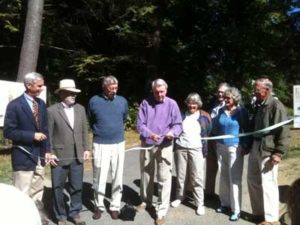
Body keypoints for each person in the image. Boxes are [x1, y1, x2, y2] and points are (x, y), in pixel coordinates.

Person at [3, 72, 51, 225]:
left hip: (39, 156)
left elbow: (45, 130)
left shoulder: (41, 104)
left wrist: (47, 151)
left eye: (42, 85)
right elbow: (8, 132)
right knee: (22, 194)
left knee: (38, 191)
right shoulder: (15, 105)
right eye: (39, 85)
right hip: (23, 157)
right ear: (28, 85)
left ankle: (38, 219)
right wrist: (32, 136)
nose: (42, 88)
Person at [136, 78, 182, 225]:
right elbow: (140, 124)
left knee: (164, 177)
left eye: (162, 92)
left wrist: (172, 132)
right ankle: (145, 201)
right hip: (148, 144)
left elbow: (178, 125)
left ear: (166, 91)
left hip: (165, 145)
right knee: (146, 174)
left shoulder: (172, 104)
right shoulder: (145, 103)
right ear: (153, 91)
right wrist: (150, 134)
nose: (160, 95)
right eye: (157, 92)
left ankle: (161, 211)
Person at [47, 79, 90, 225]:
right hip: (58, 156)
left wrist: (87, 149)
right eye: (71, 93)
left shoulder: (81, 109)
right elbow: (48, 135)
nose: (74, 95)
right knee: (58, 187)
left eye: (75, 93)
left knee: (77, 186)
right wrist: (50, 152)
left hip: (77, 155)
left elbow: (85, 131)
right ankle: (60, 216)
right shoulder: (52, 111)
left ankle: (75, 213)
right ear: (62, 94)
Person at [247, 78, 290, 225]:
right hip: (255, 147)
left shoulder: (276, 106)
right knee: (253, 180)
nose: (255, 92)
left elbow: (284, 131)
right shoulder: (259, 105)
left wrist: (278, 153)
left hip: (268, 150)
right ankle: (259, 213)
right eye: (255, 90)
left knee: (268, 184)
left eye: (257, 90)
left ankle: (271, 219)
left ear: (268, 90)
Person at [88, 75, 128, 220]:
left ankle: (115, 206)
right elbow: (91, 120)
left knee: (117, 175)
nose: (114, 91)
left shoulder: (122, 101)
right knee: (99, 176)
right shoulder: (94, 101)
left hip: (118, 142)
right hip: (100, 143)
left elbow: (124, 118)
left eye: (116, 88)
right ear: (104, 87)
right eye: (111, 89)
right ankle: (99, 206)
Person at [212, 87, 250, 221]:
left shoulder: (241, 111)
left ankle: (236, 209)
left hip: (235, 147)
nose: (226, 100)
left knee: (234, 178)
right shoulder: (221, 111)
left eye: (229, 98)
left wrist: (246, 145)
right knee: (223, 176)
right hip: (221, 146)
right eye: (225, 97)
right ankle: (225, 204)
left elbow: (247, 128)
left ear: (235, 99)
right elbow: (215, 127)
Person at [171, 93, 212, 216]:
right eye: (190, 103)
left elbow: (208, 130)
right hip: (181, 147)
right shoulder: (182, 115)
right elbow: (175, 128)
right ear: (187, 103)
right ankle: (179, 197)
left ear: (198, 104)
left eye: (194, 103)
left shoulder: (204, 116)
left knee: (197, 177)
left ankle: (199, 203)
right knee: (181, 175)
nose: (192, 105)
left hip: (197, 149)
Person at [205, 82, 230, 197]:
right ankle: (209, 192)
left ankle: (224, 196)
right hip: (210, 139)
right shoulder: (212, 103)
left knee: (223, 169)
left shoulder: (231, 105)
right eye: (219, 91)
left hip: (222, 141)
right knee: (210, 167)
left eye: (223, 92)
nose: (220, 94)